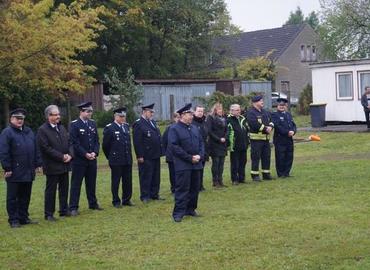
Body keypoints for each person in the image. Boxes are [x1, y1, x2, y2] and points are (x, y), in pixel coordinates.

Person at [0, 109, 42, 228]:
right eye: (17, 118)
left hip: (28, 170)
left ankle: (23, 217)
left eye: (22, 118)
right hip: (14, 171)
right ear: (11, 119)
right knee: (12, 197)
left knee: (25, 196)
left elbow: (36, 148)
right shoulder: (7, 133)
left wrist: (38, 164)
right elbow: (4, 152)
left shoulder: (28, 131)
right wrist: (7, 167)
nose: (19, 120)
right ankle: (13, 220)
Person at [168, 103, 204, 222]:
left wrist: (200, 155)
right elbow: (174, 147)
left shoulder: (194, 128)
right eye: (189, 114)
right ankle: (178, 213)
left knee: (194, 189)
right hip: (183, 164)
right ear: (182, 115)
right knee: (182, 189)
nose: (191, 116)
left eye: (191, 114)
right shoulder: (174, 129)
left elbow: (201, 143)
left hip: (196, 164)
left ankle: (191, 209)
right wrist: (190, 158)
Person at [37, 105, 72, 221]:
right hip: (52, 165)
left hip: (65, 164)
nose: (58, 116)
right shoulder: (42, 130)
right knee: (51, 190)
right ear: (48, 116)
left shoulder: (61, 128)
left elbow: (69, 142)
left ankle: (63, 210)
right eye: (55, 114)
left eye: (58, 114)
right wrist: (61, 157)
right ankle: (49, 214)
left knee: (64, 188)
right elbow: (46, 148)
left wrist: (70, 155)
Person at [69, 101, 102, 216]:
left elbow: (96, 141)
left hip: (92, 159)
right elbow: (75, 143)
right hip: (79, 160)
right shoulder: (74, 124)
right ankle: (73, 207)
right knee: (76, 184)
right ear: (81, 112)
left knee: (91, 182)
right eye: (88, 111)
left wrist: (95, 152)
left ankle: (92, 203)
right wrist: (85, 154)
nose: (90, 113)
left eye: (91, 111)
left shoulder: (92, 124)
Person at [102, 107, 134, 208]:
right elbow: (105, 146)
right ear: (115, 116)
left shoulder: (126, 126)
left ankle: (126, 199)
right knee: (116, 181)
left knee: (127, 180)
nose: (123, 118)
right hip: (116, 160)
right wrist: (110, 157)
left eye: (124, 116)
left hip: (127, 158)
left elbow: (127, 143)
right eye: (121, 116)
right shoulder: (110, 128)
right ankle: (116, 201)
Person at [133, 103, 163, 203]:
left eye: (152, 112)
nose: (152, 114)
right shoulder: (139, 123)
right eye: (150, 112)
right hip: (146, 155)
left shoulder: (152, 122)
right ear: (144, 112)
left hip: (155, 153)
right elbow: (137, 141)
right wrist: (139, 155)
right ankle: (145, 196)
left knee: (155, 175)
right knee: (146, 176)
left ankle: (154, 194)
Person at [246, 96, 274, 182]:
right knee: (256, 157)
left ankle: (266, 174)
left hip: (266, 140)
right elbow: (253, 124)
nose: (262, 102)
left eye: (262, 100)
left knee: (266, 157)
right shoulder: (251, 112)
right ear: (255, 102)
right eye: (260, 101)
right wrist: (266, 129)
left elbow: (271, 120)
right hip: (256, 140)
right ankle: (255, 175)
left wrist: (271, 126)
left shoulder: (265, 112)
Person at [272, 98, 297, 178]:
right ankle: (281, 173)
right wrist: (287, 132)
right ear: (277, 106)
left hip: (289, 139)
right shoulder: (275, 115)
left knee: (289, 156)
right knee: (280, 157)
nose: (282, 107)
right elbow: (278, 126)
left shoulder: (288, 114)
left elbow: (293, 125)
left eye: (283, 105)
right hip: (280, 140)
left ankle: (287, 172)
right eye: (280, 105)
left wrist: (293, 131)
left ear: (286, 106)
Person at [227, 104, 249, 185]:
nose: (239, 111)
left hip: (243, 144)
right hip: (234, 145)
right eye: (236, 110)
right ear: (231, 111)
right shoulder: (228, 119)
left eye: (239, 109)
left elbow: (246, 130)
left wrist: (247, 141)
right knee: (235, 163)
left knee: (243, 162)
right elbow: (228, 131)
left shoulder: (242, 118)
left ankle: (241, 178)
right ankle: (234, 179)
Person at [206, 103, 228, 187]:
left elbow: (227, 129)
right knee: (216, 162)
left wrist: (225, 137)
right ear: (215, 110)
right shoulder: (210, 118)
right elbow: (209, 131)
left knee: (222, 163)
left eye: (221, 109)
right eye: (218, 109)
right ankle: (215, 181)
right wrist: (219, 139)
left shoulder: (224, 118)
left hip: (223, 144)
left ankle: (220, 180)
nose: (220, 111)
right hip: (214, 143)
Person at [162, 113, 180, 194]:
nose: (179, 119)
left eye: (180, 117)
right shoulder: (169, 128)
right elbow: (164, 141)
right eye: (177, 117)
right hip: (171, 155)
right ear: (174, 118)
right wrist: (167, 152)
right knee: (173, 173)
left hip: (181, 155)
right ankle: (174, 189)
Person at [191, 105, 208, 191]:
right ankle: (196, 186)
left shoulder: (204, 122)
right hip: (196, 149)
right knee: (196, 169)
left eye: (202, 111)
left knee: (202, 168)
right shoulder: (192, 122)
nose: (200, 113)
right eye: (198, 111)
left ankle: (200, 185)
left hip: (204, 148)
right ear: (194, 112)